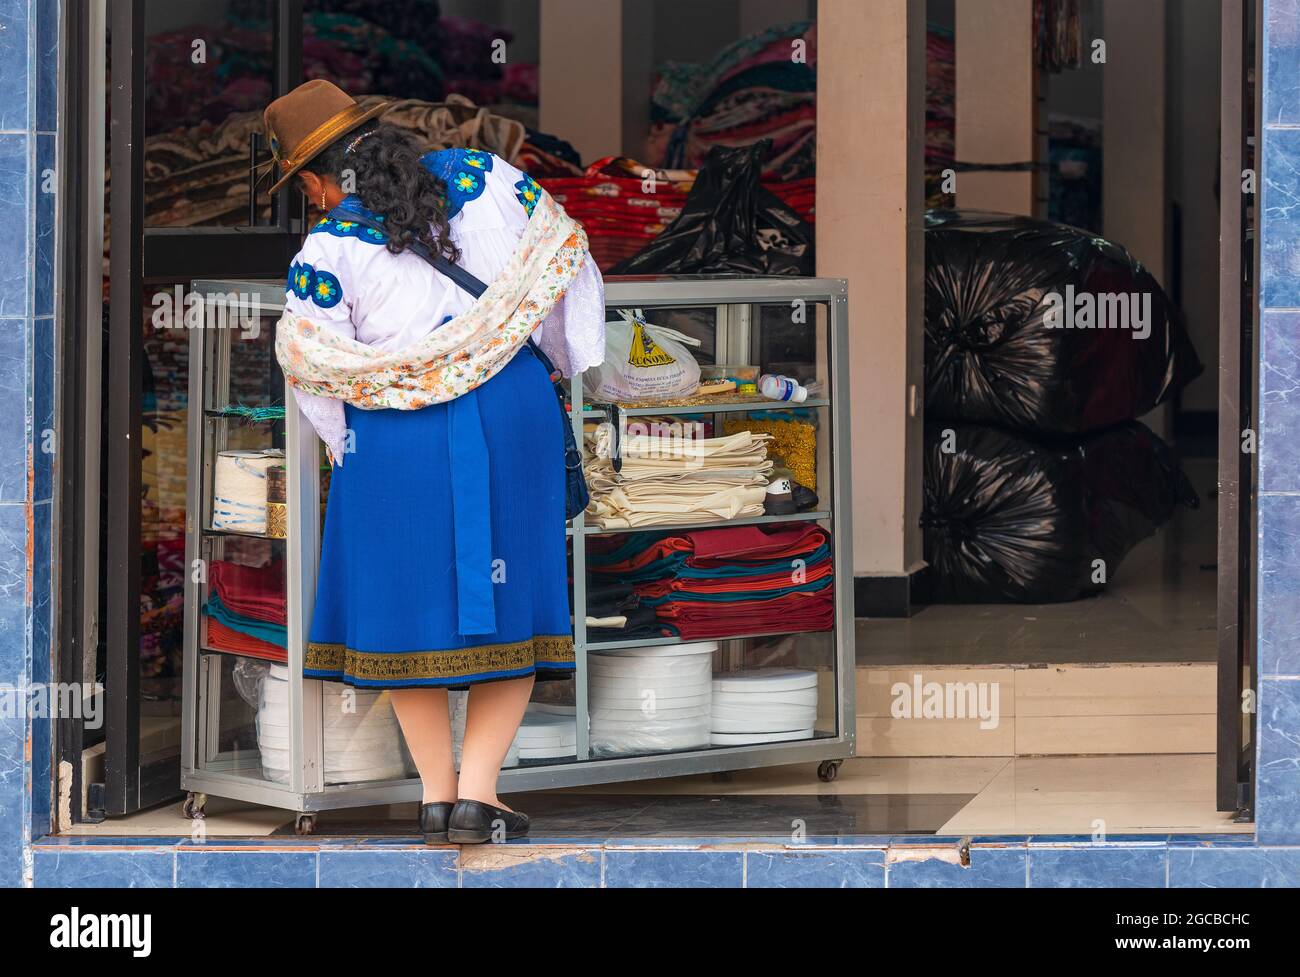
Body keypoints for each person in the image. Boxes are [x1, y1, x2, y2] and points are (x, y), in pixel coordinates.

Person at [264, 80, 605, 844]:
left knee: (401, 611)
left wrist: (343, 441)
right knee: (512, 601)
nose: (312, 202)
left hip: (394, 436)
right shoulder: (488, 179)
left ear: (321, 177)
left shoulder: (327, 248)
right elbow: (568, 263)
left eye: (305, 186)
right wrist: (545, 356)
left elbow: (314, 365)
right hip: (510, 413)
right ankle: (480, 797)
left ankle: (436, 795)